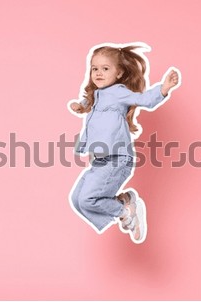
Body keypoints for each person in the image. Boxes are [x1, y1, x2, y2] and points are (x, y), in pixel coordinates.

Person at [68, 43, 180, 244]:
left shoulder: (119, 91)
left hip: (117, 159)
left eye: (105, 68)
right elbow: (91, 100)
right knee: (77, 199)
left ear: (119, 73)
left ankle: (124, 211)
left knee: (87, 199)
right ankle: (123, 202)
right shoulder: (97, 94)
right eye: (95, 69)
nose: (98, 73)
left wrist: (162, 89)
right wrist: (81, 105)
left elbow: (144, 99)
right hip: (102, 160)